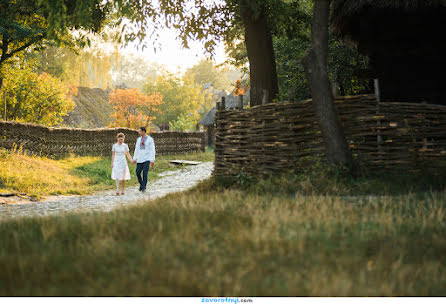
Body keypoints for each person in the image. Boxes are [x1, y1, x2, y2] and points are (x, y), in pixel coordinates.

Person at [132, 126, 155, 192]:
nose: (138, 132)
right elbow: (136, 149)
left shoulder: (150, 139)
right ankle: (141, 184)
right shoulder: (138, 139)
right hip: (140, 158)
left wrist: (152, 160)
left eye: (139, 131)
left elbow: (152, 150)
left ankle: (144, 186)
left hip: (147, 158)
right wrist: (134, 158)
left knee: (145, 172)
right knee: (137, 172)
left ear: (143, 131)